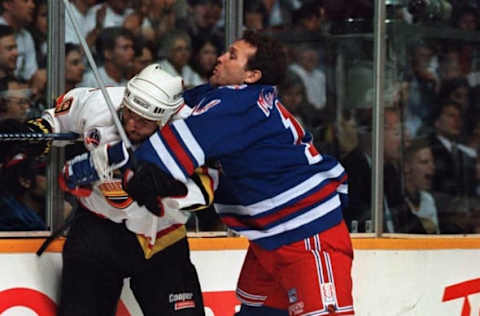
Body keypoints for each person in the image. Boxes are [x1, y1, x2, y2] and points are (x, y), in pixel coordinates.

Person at [67, 30, 355, 316]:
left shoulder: (240, 104)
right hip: (270, 237)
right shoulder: (218, 97)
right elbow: (158, 112)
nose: (220, 58)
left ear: (251, 76)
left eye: (232, 56)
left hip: (309, 234)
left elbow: (166, 149)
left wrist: (105, 167)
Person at [14, 65, 209, 315]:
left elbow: (208, 188)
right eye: (128, 113)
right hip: (98, 229)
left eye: (143, 121)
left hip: (162, 236)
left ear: (165, 120)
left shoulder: (193, 127)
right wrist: (37, 132)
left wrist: (167, 190)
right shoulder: (99, 102)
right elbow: (57, 118)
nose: (131, 124)